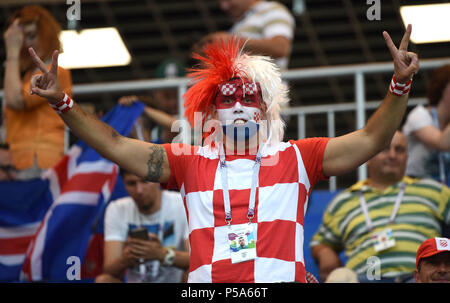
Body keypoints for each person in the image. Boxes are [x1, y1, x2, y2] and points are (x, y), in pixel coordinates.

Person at [28, 24, 419, 283]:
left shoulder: (298, 156)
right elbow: (114, 144)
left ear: (265, 107)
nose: (237, 105)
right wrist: (62, 101)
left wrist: (399, 85)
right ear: (212, 110)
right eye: (226, 98)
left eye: (248, 97)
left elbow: (372, 139)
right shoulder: (188, 161)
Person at [310, 131, 450, 282]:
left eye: (399, 150)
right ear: (367, 156)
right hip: (366, 277)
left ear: (407, 157)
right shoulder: (343, 201)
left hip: (416, 276)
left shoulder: (434, 191)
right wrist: (324, 252)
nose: (392, 155)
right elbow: (320, 242)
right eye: (385, 149)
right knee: (340, 278)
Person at [3, 5, 73, 180]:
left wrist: (11, 51)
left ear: (46, 36)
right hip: (21, 160)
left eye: (32, 36)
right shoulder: (28, 76)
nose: (26, 43)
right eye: (22, 38)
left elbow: (15, 100)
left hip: (39, 161)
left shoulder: (56, 73)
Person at [95, 169, 189, 283]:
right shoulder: (117, 208)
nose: (139, 190)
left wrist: (161, 255)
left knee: (193, 274)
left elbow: (196, 261)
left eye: (144, 181)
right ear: (123, 183)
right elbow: (109, 269)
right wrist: (125, 259)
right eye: (131, 183)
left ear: (158, 180)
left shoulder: (181, 203)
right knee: (103, 280)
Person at [198, 0, 295, 70]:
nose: (224, 7)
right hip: (246, 94)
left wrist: (232, 41)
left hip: (265, 94)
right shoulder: (240, 23)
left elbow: (280, 48)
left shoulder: (272, 10)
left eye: (227, 0)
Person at [402, 65, 450, 186]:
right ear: (442, 88)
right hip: (414, 188)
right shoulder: (419, 115)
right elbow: (442, 143)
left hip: (443, 191)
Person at [118, 59, 185, 144]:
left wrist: (141, 108)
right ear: (155, 94)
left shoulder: (198, 118)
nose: (173, 102)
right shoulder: (153, 125)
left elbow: (176, 125)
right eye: (167, 96)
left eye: (177, 95)